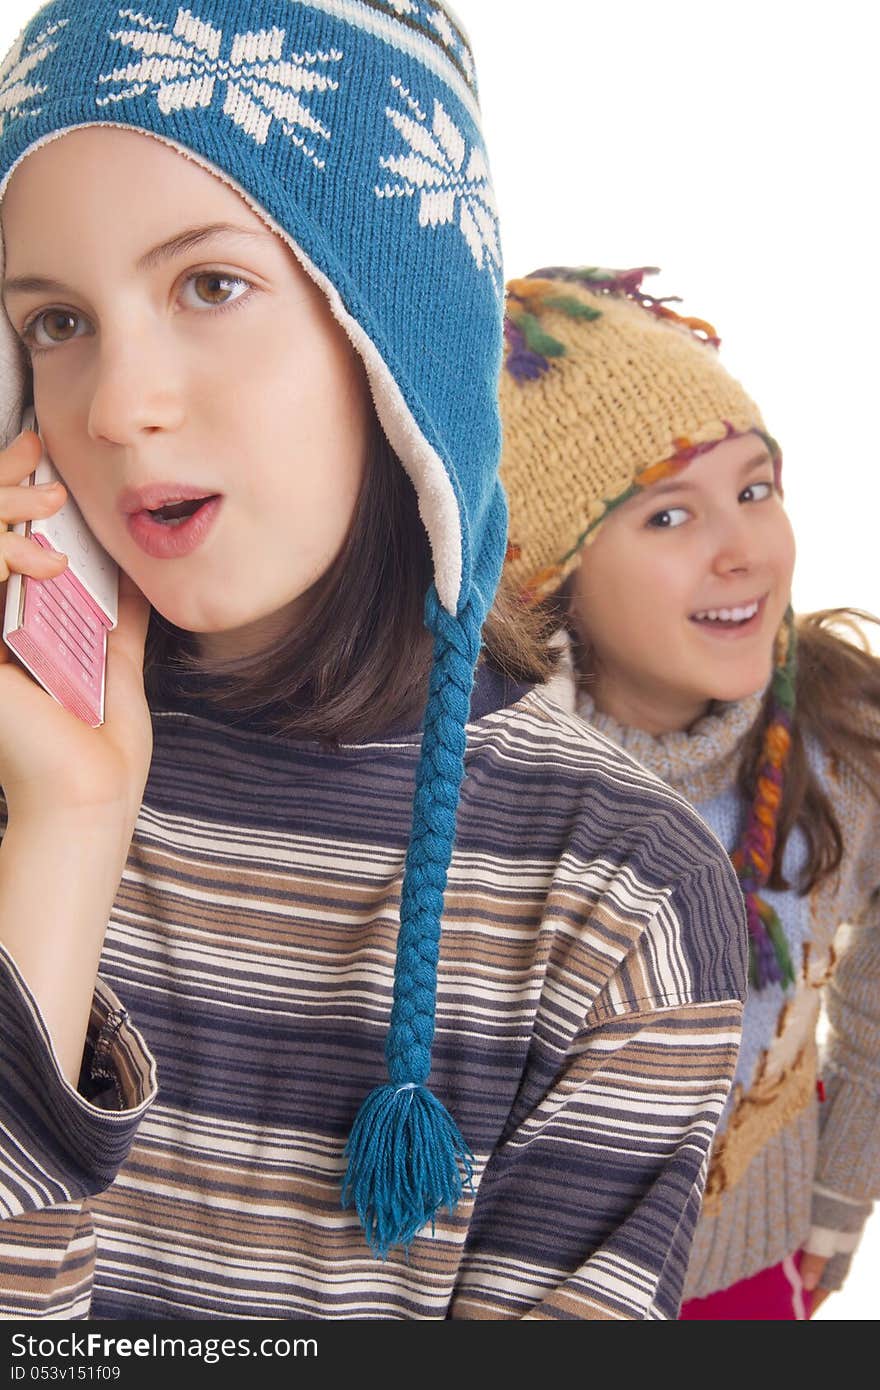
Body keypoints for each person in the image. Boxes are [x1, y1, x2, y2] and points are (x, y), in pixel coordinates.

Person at [0, 4, 748, 1321]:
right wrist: (66, 830)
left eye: (210, 285)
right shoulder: (27, 773)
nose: (117, 405)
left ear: (397, 344)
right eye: (58, 321)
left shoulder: (622, 902)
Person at [498, 263, 880, 1319]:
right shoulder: (493, 791)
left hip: (743, 1280)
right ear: (551, 578)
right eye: (667, 517)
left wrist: (838, 1196)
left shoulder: (846, 744)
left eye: (755, 490)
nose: (742, 549)